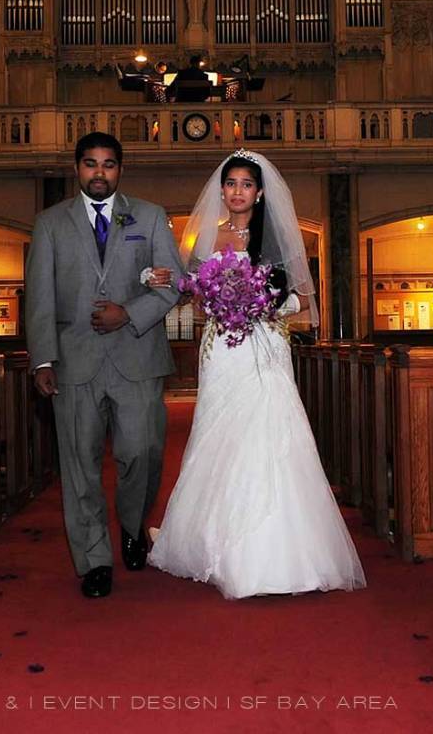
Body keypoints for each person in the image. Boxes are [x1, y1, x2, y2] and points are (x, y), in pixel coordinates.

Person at [147, 148, 367, 599]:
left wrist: (261, 304)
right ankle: (212, 543)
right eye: (231, 184)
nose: (238, 192)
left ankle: (276, 552)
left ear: (260, 191)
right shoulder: (207, 239)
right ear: (222, 190)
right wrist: (213, 300)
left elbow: (303, 302)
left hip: (263, 347)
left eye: (247, 184)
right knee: (218, 434)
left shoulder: (275, 240)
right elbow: (196, 297)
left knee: (268, 434)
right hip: (221, 353)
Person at [25, 132, 183, 599]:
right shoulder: (50, 223)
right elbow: (39, 296)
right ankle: (95, 560)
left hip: (137, 357)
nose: (99, 172)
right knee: (80, 467)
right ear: (77, 168)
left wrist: (128, 314)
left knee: (143, 453)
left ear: (120, 169)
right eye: (90, 164)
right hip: (73, 363)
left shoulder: (150, 217)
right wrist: (43, 359)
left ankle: (134, 527)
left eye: (109, 164)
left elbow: (171, 285)